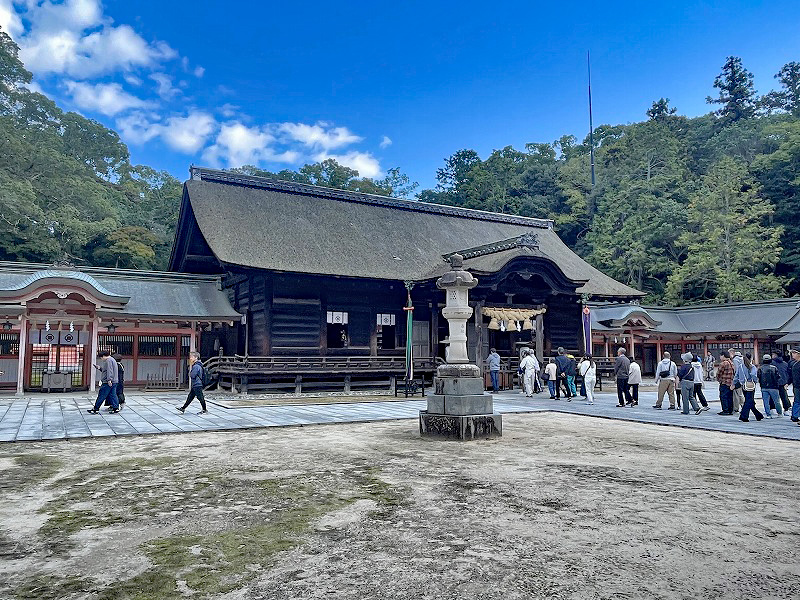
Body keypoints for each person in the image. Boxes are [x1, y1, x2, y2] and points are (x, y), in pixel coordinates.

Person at [87, 350, 119, 414]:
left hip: (108, 382)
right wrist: (99, 368)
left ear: (104, 356)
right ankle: (115, 408)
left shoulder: (108, 361)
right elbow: (107, 370)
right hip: (114, 381)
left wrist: (109, 379)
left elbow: (109, 371)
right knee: (113, 395)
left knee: (102, 395)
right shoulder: (112, 359)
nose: (101, 359)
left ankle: (96, 409)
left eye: (101, 357)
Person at [738, 353, 763, 423]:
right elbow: (753, 375)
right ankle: (744, 416)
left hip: (743, 385)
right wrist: (755, 380)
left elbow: (737, 375)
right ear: (751, 358)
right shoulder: (752, 367)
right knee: (748, 401)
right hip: (751, 385)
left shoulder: (740, 367)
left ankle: (758, 415)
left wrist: (734, 383)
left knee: (749, 400)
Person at [757, 354, 783, 418]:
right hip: (773, 387)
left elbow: (758, 376)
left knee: (766, 401)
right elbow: (778, 377)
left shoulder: (760, 368)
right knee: (776, 401)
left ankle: (768, 414)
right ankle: (779, 413)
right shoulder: (774, 368)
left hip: (764, 386)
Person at [716, 350, 735, 415]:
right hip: (730, 382)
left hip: (724, 382)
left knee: (723, 396)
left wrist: (719, 379)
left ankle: (725, 410)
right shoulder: (731, 362)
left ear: (723, 356)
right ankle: (730, 410)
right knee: (730, 397)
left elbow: (719, 373)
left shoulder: (723, 363)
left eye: (720, 356)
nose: (720, 357)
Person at [789, 348, 800, 424]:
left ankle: (796, 415)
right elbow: (792, 376)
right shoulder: (794, 363)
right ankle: (795, 416)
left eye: (794, 353)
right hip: (796, 385)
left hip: (798, 385)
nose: (792, 354)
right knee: (797, 400)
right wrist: (788, 382)